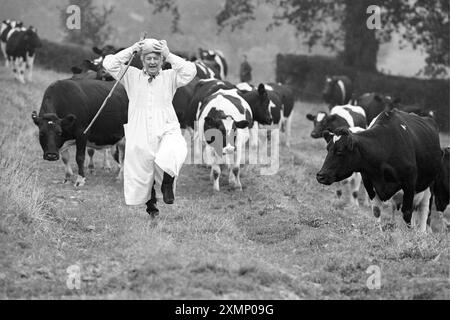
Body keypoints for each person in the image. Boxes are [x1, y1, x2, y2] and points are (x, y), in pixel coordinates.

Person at [103, 38, 197, 217]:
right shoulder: (131, 75)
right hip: (140, 128)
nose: (152, 62)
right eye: (148, 58)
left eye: (156, 58)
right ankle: (151, 205)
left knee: (175, 149)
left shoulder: (170, 76)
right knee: (143, 169)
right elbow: (109, 64)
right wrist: (131, 49)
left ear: (161, 61)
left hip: (166, 125)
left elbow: (190, 71)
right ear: (143, 61)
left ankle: (168, 183)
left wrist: (169, 55)